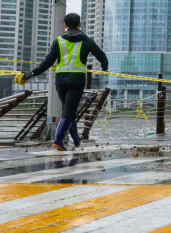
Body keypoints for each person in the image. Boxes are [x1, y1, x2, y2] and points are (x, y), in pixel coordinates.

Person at [15, 13, 108, 150]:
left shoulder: (58, 41)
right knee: (69, 112)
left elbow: (47, 62)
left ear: (65, 25)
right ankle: (58, 140)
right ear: (79, 24)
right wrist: (105, 68)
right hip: (77, 81)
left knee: (69, 111)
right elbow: (102, 56)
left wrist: (31, 74)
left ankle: (76, 140)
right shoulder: (87, 41)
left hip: (61, 82)